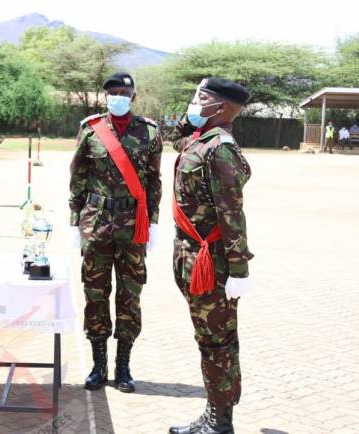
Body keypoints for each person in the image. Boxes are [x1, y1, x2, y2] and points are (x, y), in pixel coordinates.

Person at [169, 78, 254, 434]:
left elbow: (232, 215)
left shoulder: (220, 149)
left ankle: (218, 422)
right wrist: (191, 115)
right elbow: (175, 141)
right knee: (210, 340)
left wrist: (239, 270)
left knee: (215, 343)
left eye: (200, 98)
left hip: (212, 264)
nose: (193, 102)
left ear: (220, 107)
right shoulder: (200, 139)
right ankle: (217, 414)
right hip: (192, 255)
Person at [68, 72, 162, 392]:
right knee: (95, 294)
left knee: (130, 295)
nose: (118, 96)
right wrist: (73, 221)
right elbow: (78, 177)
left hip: (132, 224)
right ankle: (98, 366)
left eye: (124, 91)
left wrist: (154, 223)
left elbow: (154, 181)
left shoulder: (149, 132)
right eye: (113, 92)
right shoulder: (90, 129)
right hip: (95, 222)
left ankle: (123, 367)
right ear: (105, 97)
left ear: (133, 96)